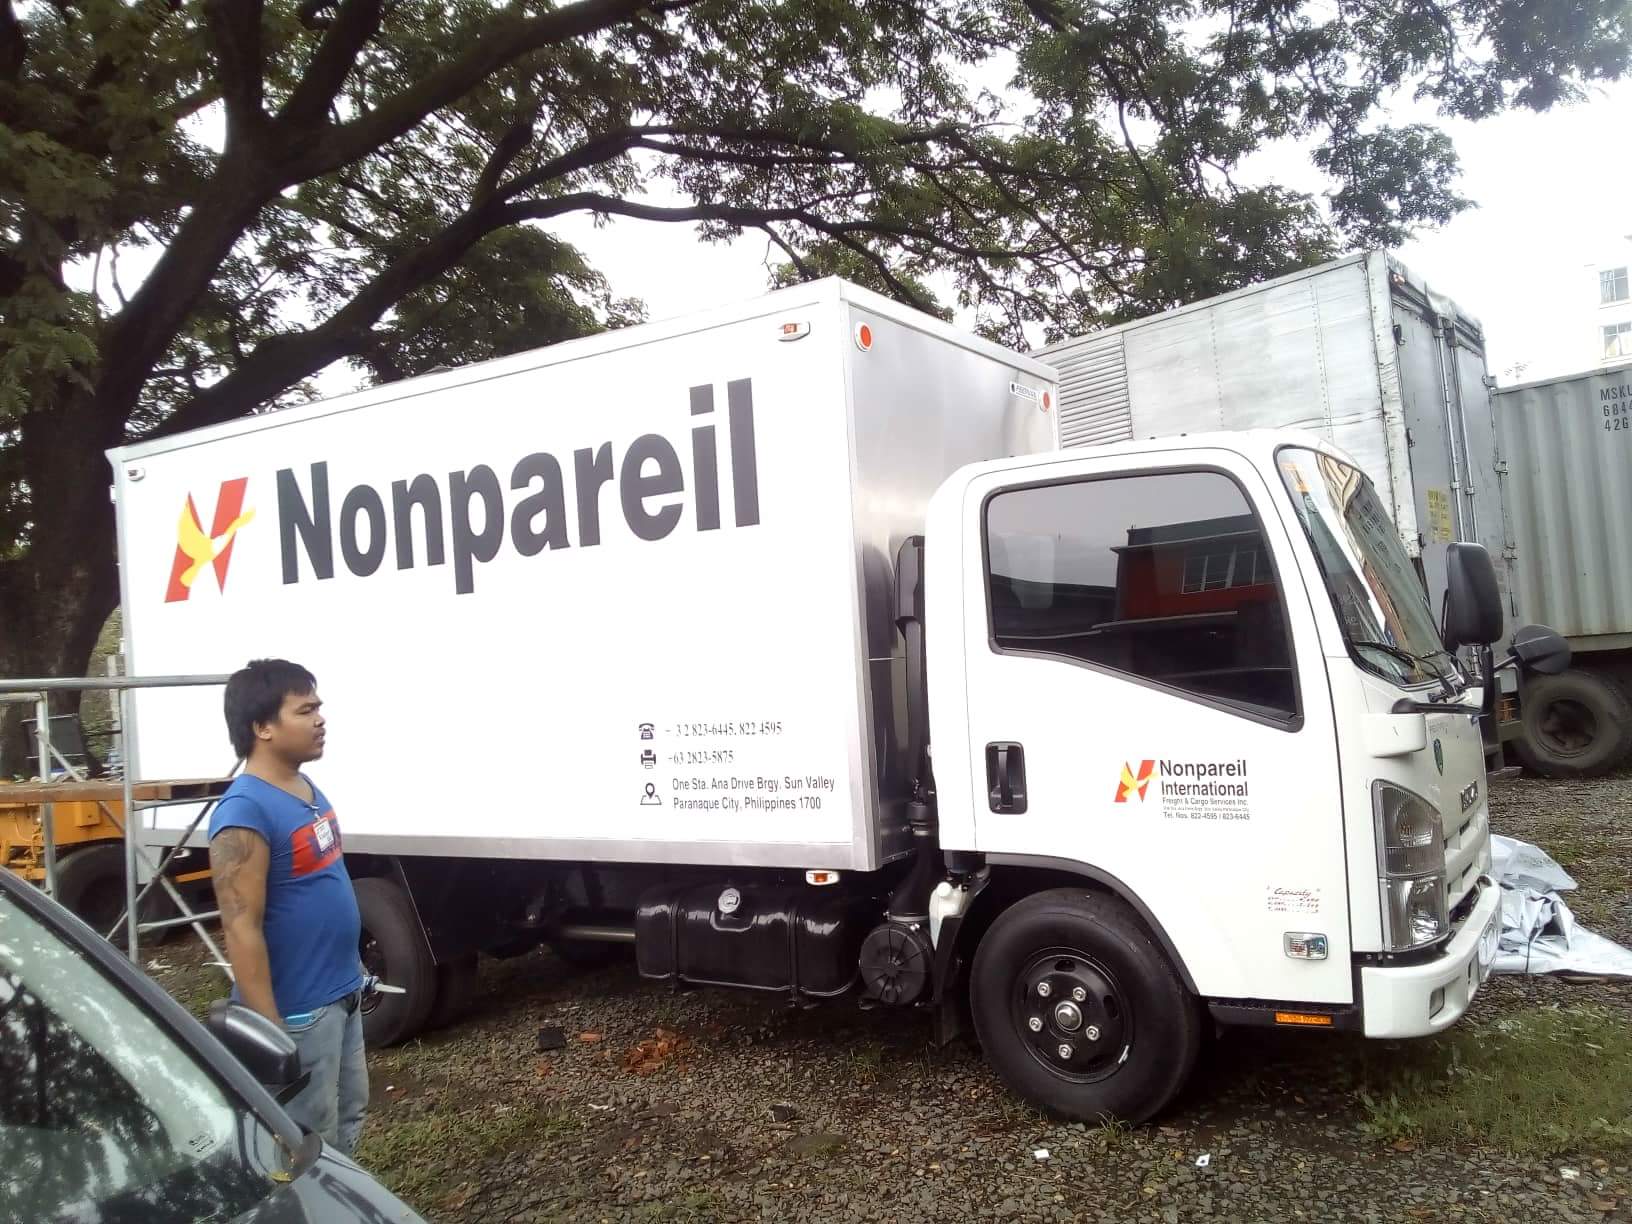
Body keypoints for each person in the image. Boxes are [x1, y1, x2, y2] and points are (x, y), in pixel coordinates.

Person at [209, 658, 368, 1154]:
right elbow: (241, 928)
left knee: (349, 1120)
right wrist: (269, 1031)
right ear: (263, 727)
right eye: (305, 711)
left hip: (341, 993)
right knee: (305, 1144)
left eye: (318, 708)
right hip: (299, 1013)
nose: (320, 720)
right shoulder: (244, 811)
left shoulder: (304, 788)